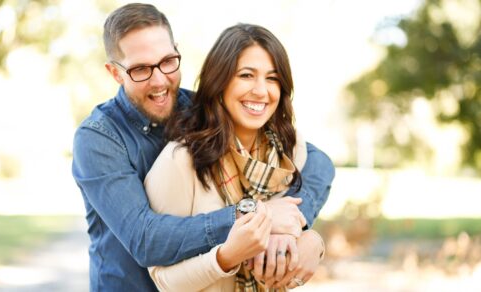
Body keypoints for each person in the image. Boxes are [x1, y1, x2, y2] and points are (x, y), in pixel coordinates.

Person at [71, 3, 335, 291]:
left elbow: (317, 162)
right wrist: (256, 215)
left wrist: (298, 226)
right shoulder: (98, 138)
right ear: (115, 73)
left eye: (168, 62)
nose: (160, 81)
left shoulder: (201, 109)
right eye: (141, 69)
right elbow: (146, 239)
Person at [144, 23, 326, 291]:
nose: (261, 91)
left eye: (272, 78)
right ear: (220, 82)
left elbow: (294, 221)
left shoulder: (289, 150)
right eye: (246, 75)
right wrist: (228, 256)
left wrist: (313, 242)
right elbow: (163, 279)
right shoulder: (180, 161)